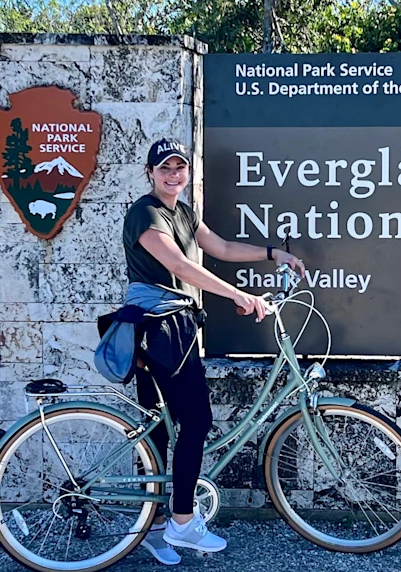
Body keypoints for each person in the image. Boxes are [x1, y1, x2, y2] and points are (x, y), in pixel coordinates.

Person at [124, 138, 305, 565]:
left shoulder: (183, 213)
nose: (173, 174)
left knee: (161, 428)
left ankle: (153, 528)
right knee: (194, 421)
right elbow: (180, 266)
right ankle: (182, 521)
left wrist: (273, 254)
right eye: (164, 168)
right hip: (160, 327)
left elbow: (220, 248)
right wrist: (238, 295)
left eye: (180, 167)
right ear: (150, 173)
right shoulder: (145, 213)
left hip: (175, 327)